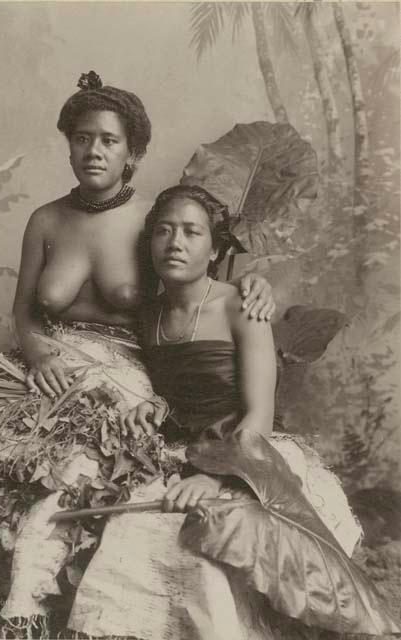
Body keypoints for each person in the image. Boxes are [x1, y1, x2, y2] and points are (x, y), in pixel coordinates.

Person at [0, 73, 275, 633]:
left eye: (108, 140)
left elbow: (200, 275)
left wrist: (258, 283)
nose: (93, 151)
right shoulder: (46, 220)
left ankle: (61, 597)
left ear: (133, 151)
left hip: (127, 372)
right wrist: (40, 358)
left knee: (80, 470)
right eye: (82, 138)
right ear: (70, 144)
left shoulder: (154, 221)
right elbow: (25, 314)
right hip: (51, 367)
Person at [64, 185, 397, 640]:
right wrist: (152, 403)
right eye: (163, 231)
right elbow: (64, 313)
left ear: (216, 247)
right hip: (185, 448)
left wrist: (218, 479)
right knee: (134, 532)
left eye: (191, 232)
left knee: (209, 542)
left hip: (251, 451)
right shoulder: (149, 316)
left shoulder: (242, 306)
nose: (175, 243)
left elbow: (259, 413)